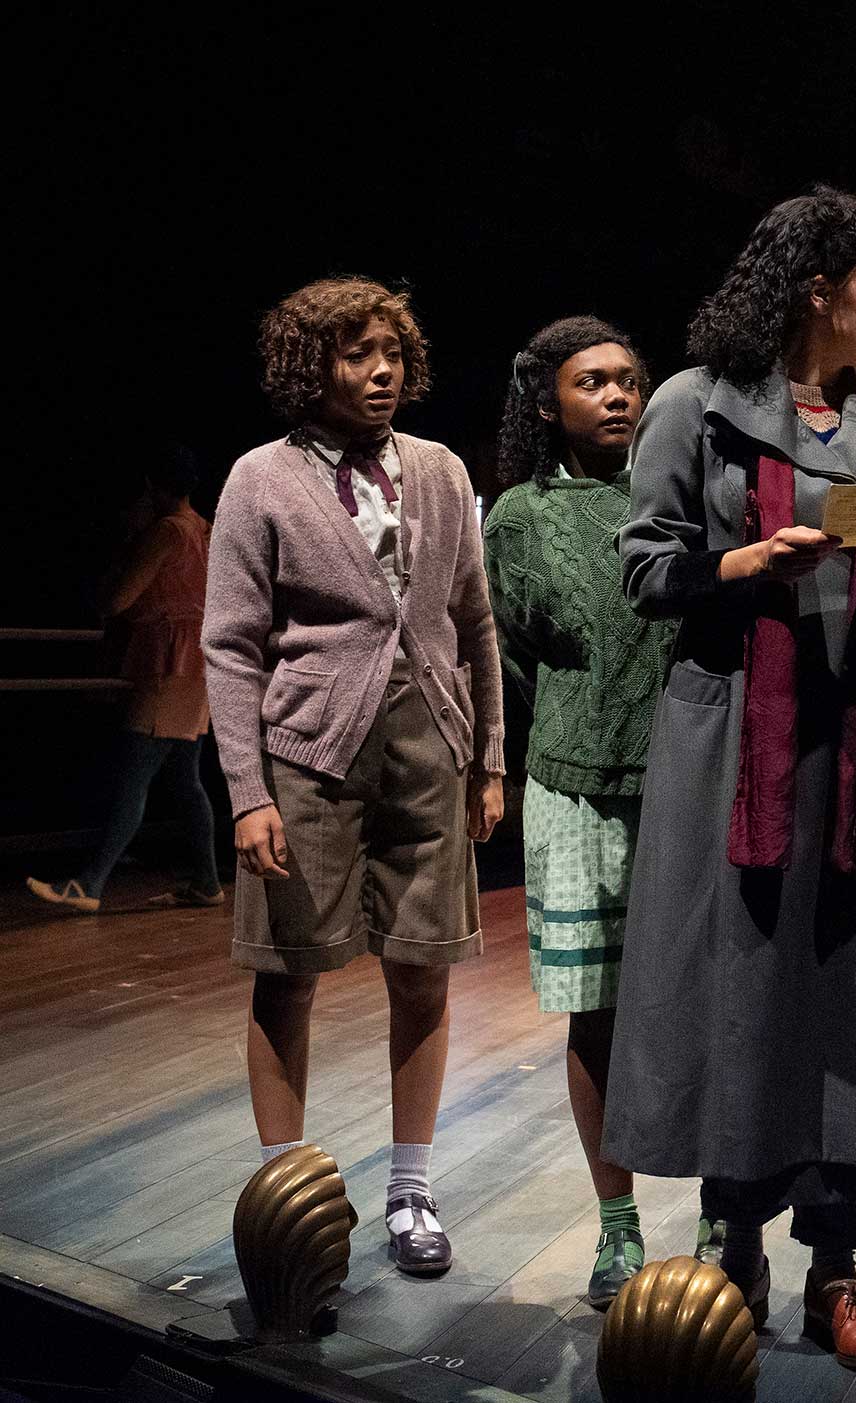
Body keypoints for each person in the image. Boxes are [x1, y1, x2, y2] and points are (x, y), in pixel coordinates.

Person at [602, 187, 856, 1376]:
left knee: (852, 989)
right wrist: (743, 560)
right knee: (740, 978)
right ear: (818, 291)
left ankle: (836, 1267)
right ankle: (731, 1242)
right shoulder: (694, 409)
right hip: (738, 729)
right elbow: (643, 569)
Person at [202, 277, 505, 1278]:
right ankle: (286, 1200)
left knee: (422, 969)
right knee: (286, 977)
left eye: (389, 352)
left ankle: (411, 1191)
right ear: (309, 366)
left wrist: (489, 755)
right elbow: (233, 646)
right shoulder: (260, 478)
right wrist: (247, 792)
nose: (379, 372)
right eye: (353, 354)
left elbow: (473, 620)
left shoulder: (441, 469)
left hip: (430, 748)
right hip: (308, 757)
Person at [484, 316, 672, 1309]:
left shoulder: (673, 493)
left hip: (684, 780)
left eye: (630, 379)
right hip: (570, 783)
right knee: (594, 1014)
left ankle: (727, 1216)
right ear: (547, 399)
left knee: (693, 1004)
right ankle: (618, 1227)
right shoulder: (516, 514)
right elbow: (515, 650)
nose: (616, 395)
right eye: (592, 380)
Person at [29, 446, 222, 913]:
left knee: (133, 774)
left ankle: (90, 884)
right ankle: (207, 882)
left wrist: (128, 540)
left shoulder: (165, 533)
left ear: (152, 487)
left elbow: (116, 600)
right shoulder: (207, 530)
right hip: (196, 665)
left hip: (166, 665)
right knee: (184, 779)